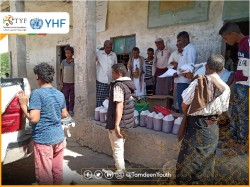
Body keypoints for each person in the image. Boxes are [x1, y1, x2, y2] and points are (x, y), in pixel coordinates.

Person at [176, 54, 230, 184]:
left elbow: (184, 104)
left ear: (206, 66)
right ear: (222, 70)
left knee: (188, 161)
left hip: (196, 126)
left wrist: (189, 113)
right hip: (212, 128)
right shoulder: (226, 88)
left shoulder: (198, 82)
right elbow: (223, 111)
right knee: (206, 162)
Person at [18, 63, 68, 184]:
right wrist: (52, 116)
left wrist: (24, 105)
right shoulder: (59, 94)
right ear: (52, 77)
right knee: (57, 172)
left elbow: (34, 118)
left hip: (43, 140)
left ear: (37, 77)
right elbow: (65, 114)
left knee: (44, 176)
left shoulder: (37, 94)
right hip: (59, 138)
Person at [219, 22, 249, 155]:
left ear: (233, 34)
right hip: (240, 85)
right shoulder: (241, 45)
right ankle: (234, 140)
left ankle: (243, 144)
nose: (226, 41)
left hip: (247, 85)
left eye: (226, 38)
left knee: (243, 115)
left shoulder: (248, 41)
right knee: (236, 113)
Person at [105, 63, 136, 173]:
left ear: (119, 74)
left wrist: (116, 125)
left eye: (113, 73)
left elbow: (119, 105)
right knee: (120, 145)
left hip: (120, 122)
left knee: (117, 147)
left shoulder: (118, 86)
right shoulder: (129, 84)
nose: (112, 75)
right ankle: (118, 166)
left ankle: (121, 172)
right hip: (127, 122)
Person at [173, 31, 197, 113]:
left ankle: (182, 123)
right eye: (178, 41)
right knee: (180, 103)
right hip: (180, 80)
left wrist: (178, 73)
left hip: (185, 81)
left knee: (183, 104)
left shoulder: (190, 49)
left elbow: (190, 66)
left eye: (180, 40)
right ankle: (181, 122)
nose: (179, 43)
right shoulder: (185, 49)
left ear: (186, 40)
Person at [96, 40, 117, 107]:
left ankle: (106, 113)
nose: (109, 49)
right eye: (108, 47)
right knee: (99, 98)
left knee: (109, 99)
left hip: (111, 80)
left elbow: (115, 66)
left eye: (110, 47)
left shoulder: (113, 55)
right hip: (101, 80)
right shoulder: (98, 53)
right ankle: (99, 113)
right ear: (104, 46)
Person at [168, 43, 183, 111]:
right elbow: (169, 65)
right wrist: (175, 66)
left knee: (183, 95)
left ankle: (182, 109)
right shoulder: (174, 54)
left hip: (184, 78)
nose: (180, 46)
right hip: (176, 78)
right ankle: (176, 108)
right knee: (176, 94)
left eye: (181, 45)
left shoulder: (186, 53)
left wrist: (177, 64)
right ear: (176, 46)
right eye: (178, 45)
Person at [60, 46, 75, 116]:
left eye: (69, 53)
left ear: (72, 53)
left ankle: (71, 110)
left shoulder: (74, 62)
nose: (67, 55)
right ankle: (66, 109)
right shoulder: (63, 62)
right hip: (65, 82)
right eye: (66, 53)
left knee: (72, 97)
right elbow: (62, 72)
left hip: (72, 83)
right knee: (65, 97)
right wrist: (61, 81)